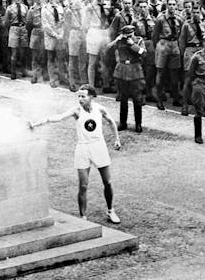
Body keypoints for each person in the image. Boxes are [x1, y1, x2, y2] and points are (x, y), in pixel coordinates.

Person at [28, 85, 122, 224]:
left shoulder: (100, 109)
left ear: (91, 97)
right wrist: (36, 124)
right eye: (78, 96)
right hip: (83, 149)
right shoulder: (76, 111)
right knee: (83, 185)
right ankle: (83, 218)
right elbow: (59, 117)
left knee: (107, 182)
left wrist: (117, 139)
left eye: (83, 96)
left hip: (99, 147)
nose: (80, 99)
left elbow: (111, 122)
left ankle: (110, 211)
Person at [106, 24, 146, 132]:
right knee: (123, 99)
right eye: (126, 34)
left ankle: (138, 124)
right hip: (122, 71)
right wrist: (116, 40)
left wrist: (133, 45)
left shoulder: (138, 40)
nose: (128, 36)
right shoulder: (119, 41)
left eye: (130, 34)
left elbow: (144, 53)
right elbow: (108, 49)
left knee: (137, 99)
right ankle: (123, 123)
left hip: (135, 71)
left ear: (134, 33)